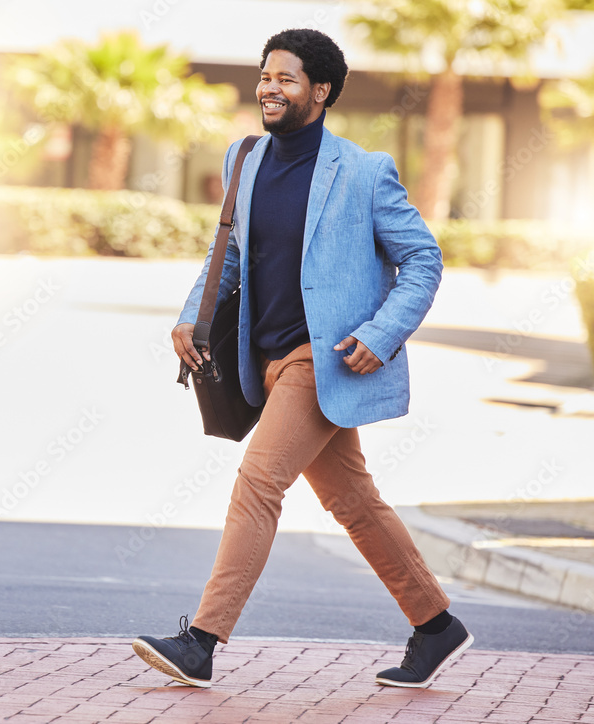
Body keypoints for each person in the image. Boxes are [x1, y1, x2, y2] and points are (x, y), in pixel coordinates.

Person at [132, 28, 472, 689]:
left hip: (323, 360)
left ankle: (202, 639)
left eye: (287, 79)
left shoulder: (363, 171)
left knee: (258, 484)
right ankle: (435, 625)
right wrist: (190, 315)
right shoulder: (245, 157)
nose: (270, 88)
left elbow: (423, 259)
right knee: (355, 503)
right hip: (263, 358)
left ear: (321, 91)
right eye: (265, 76)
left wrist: (382, 333)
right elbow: (226, 254)